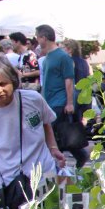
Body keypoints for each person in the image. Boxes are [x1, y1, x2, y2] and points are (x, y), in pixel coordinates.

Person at [0, 55, 66, 209]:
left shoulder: (33, 99)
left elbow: (46, 122)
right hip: (11, 180)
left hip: (44, 172)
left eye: (2, 83)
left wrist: (53, 148)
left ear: (13, 80)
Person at [35, 24, 90, 167]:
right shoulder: (48, 57)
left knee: (53, 137)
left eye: (37, 37)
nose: (37, 41)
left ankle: (62, 166)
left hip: (59, 102)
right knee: (60, 136)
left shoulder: (62, 57)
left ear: (44, 37)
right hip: (50, 102)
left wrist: (70, 102)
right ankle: (78, 157)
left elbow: (69, 80)